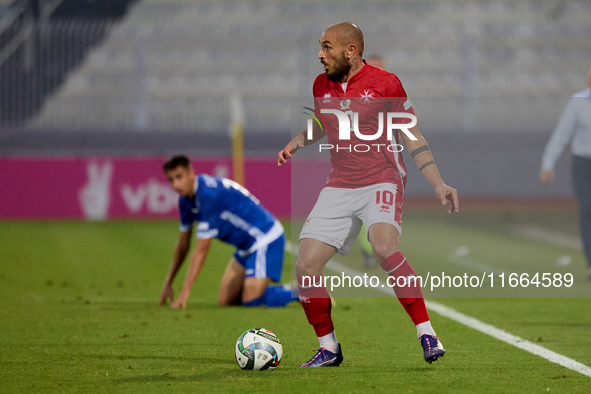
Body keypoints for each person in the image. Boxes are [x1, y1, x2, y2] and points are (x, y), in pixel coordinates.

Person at [278, 22, 459, 368]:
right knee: (305, 267)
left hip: (381, 179)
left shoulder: (386, 84)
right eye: (320, 46)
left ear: (351, 51)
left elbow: (412, 136)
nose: (320, 54)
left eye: (327, 47)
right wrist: (298, 141)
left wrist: (438, 183)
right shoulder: (321, 83)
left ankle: (427, 332)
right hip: (340, 182)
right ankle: (328, 349)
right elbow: (321, 122)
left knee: (384, 248)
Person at [159, 155, 294, 309]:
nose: (176, 184)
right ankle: (258, 288)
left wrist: (185, 292)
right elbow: (183, 245)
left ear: (191, 173)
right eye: (171, 180)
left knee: (251, 300)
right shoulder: (185, 201)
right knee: (225, 301)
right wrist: (168, 283)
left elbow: (201, 249)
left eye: (179, 177)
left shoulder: (208, 196)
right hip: (246, 246)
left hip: (265, 238)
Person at [540, 65, 591, 280]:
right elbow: (562, 134)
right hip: (583, 164)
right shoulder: (578, 101)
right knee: (587, 209)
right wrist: (547, 164)